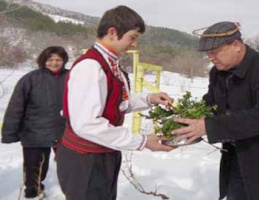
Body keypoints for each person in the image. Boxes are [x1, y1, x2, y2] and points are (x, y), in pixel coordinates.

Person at [172, 21, 259, 200]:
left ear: (236, 45)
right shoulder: (218, 72)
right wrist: (193, 118)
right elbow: (211, 103)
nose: (211, 58)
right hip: (238, 158)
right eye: (207, 53)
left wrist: (209, 127)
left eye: (214, 52)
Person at [56, 5, 175, 200]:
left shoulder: (111, 64)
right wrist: (142, 141)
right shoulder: (91, 67)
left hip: (104, 154)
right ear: (112, 32)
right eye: (133, 37)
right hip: (85, 159)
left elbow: (118, 104)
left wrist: (149, 98)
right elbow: (87, 123)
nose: (134, 44)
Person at [1, 46, 69, 198]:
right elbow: (16, 106)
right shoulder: (30, 79)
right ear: (43, 60)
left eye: (58, 59)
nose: (54, 63)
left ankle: (71, 191)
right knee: (35, 167)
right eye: (50, 59)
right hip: (35, 131)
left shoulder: (72, 77)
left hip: (65, 130)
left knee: (69, 165)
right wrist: (9, 132)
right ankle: (33, 191)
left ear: (64, 60)